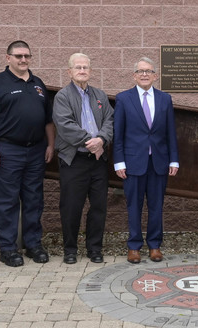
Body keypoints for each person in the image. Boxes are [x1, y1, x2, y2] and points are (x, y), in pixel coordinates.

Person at [0, 40, 55, 267]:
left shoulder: (38, 83)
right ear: (7, 58)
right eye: (18, 56)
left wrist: (50, 145)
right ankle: (9, 249)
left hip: (36, 150)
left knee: (34, 199)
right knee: (7, 201)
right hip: (7, 150)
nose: (23, 60)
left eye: (27, 56)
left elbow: (48, 121)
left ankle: (33, 245)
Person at [113, 57, 179, 264]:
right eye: (140, 71)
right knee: (134, 205)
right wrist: (119, 162)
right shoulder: (123, 99)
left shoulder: (164, 99)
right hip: (133, 163)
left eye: (148, 71)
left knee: (156, 206)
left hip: (158, 161)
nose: (144, 74)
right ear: (134, 75)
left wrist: (174, 160)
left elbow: (170, 132)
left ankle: (154, 245)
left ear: (155, 76)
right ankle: (134, 246)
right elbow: (119, 133)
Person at [53, 53, 114, 264]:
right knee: (71, 207)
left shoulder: (100, 96)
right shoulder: (62, 96)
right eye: (77, 67)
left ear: (90, 71)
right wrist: (93, 142)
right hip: (74, 161)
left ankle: (94, 248)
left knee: (98, 207)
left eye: (85, 67)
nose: (82, 71)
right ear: (69, 72)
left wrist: (102, 140)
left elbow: (109, 120)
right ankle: (70, 250)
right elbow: (65, 125)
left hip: (97, 161)